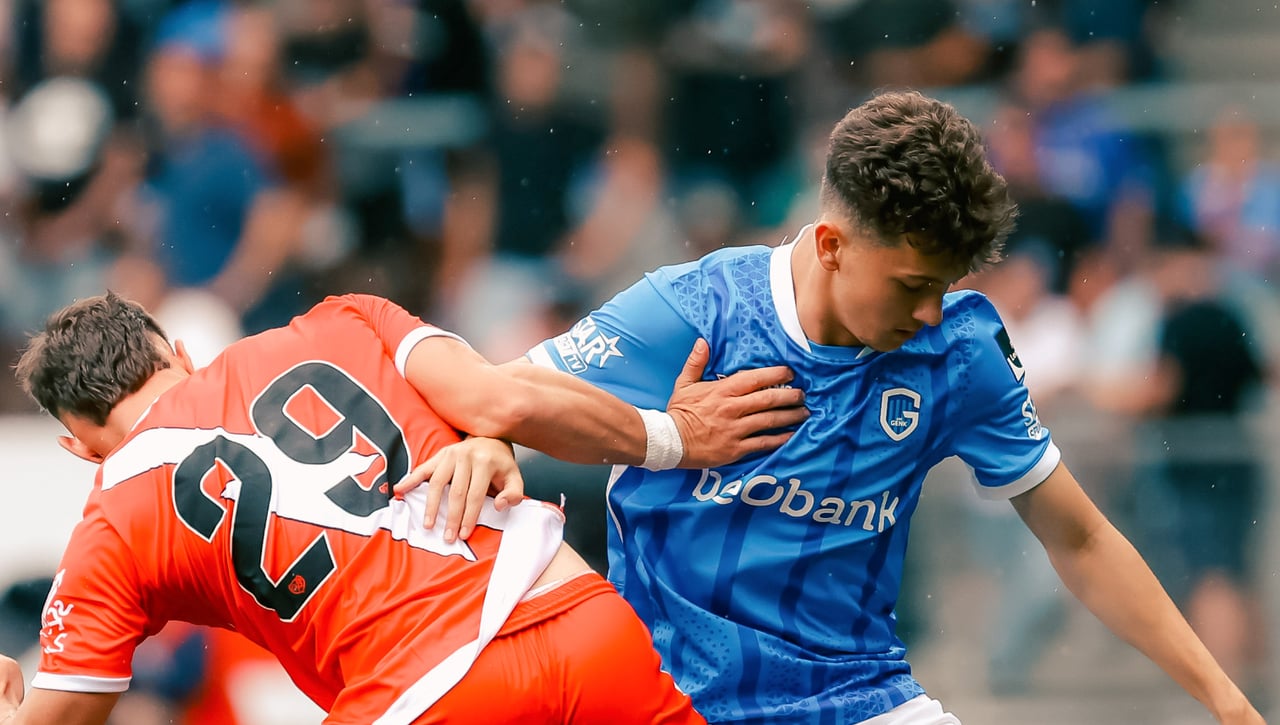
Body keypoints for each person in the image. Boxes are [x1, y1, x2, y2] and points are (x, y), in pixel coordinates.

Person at [507, 90, 1264, 723]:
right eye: (911, 285)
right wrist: (491, 439)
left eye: (947, 284)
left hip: (860, 698)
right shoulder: (692, 311)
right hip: (672, 703)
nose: (932, 312)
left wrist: (1226, 699)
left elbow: (1083, 541)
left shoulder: (961, 353)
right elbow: (493, 394)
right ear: (833, 245)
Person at [0, 290, 807, 725]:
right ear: (179, 354)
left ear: (77, 448)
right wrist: (676, 438)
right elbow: (503, 397)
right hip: (575, 616)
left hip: (422, 694)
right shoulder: (341, 318)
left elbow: (67, 715)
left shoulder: (107, 525)